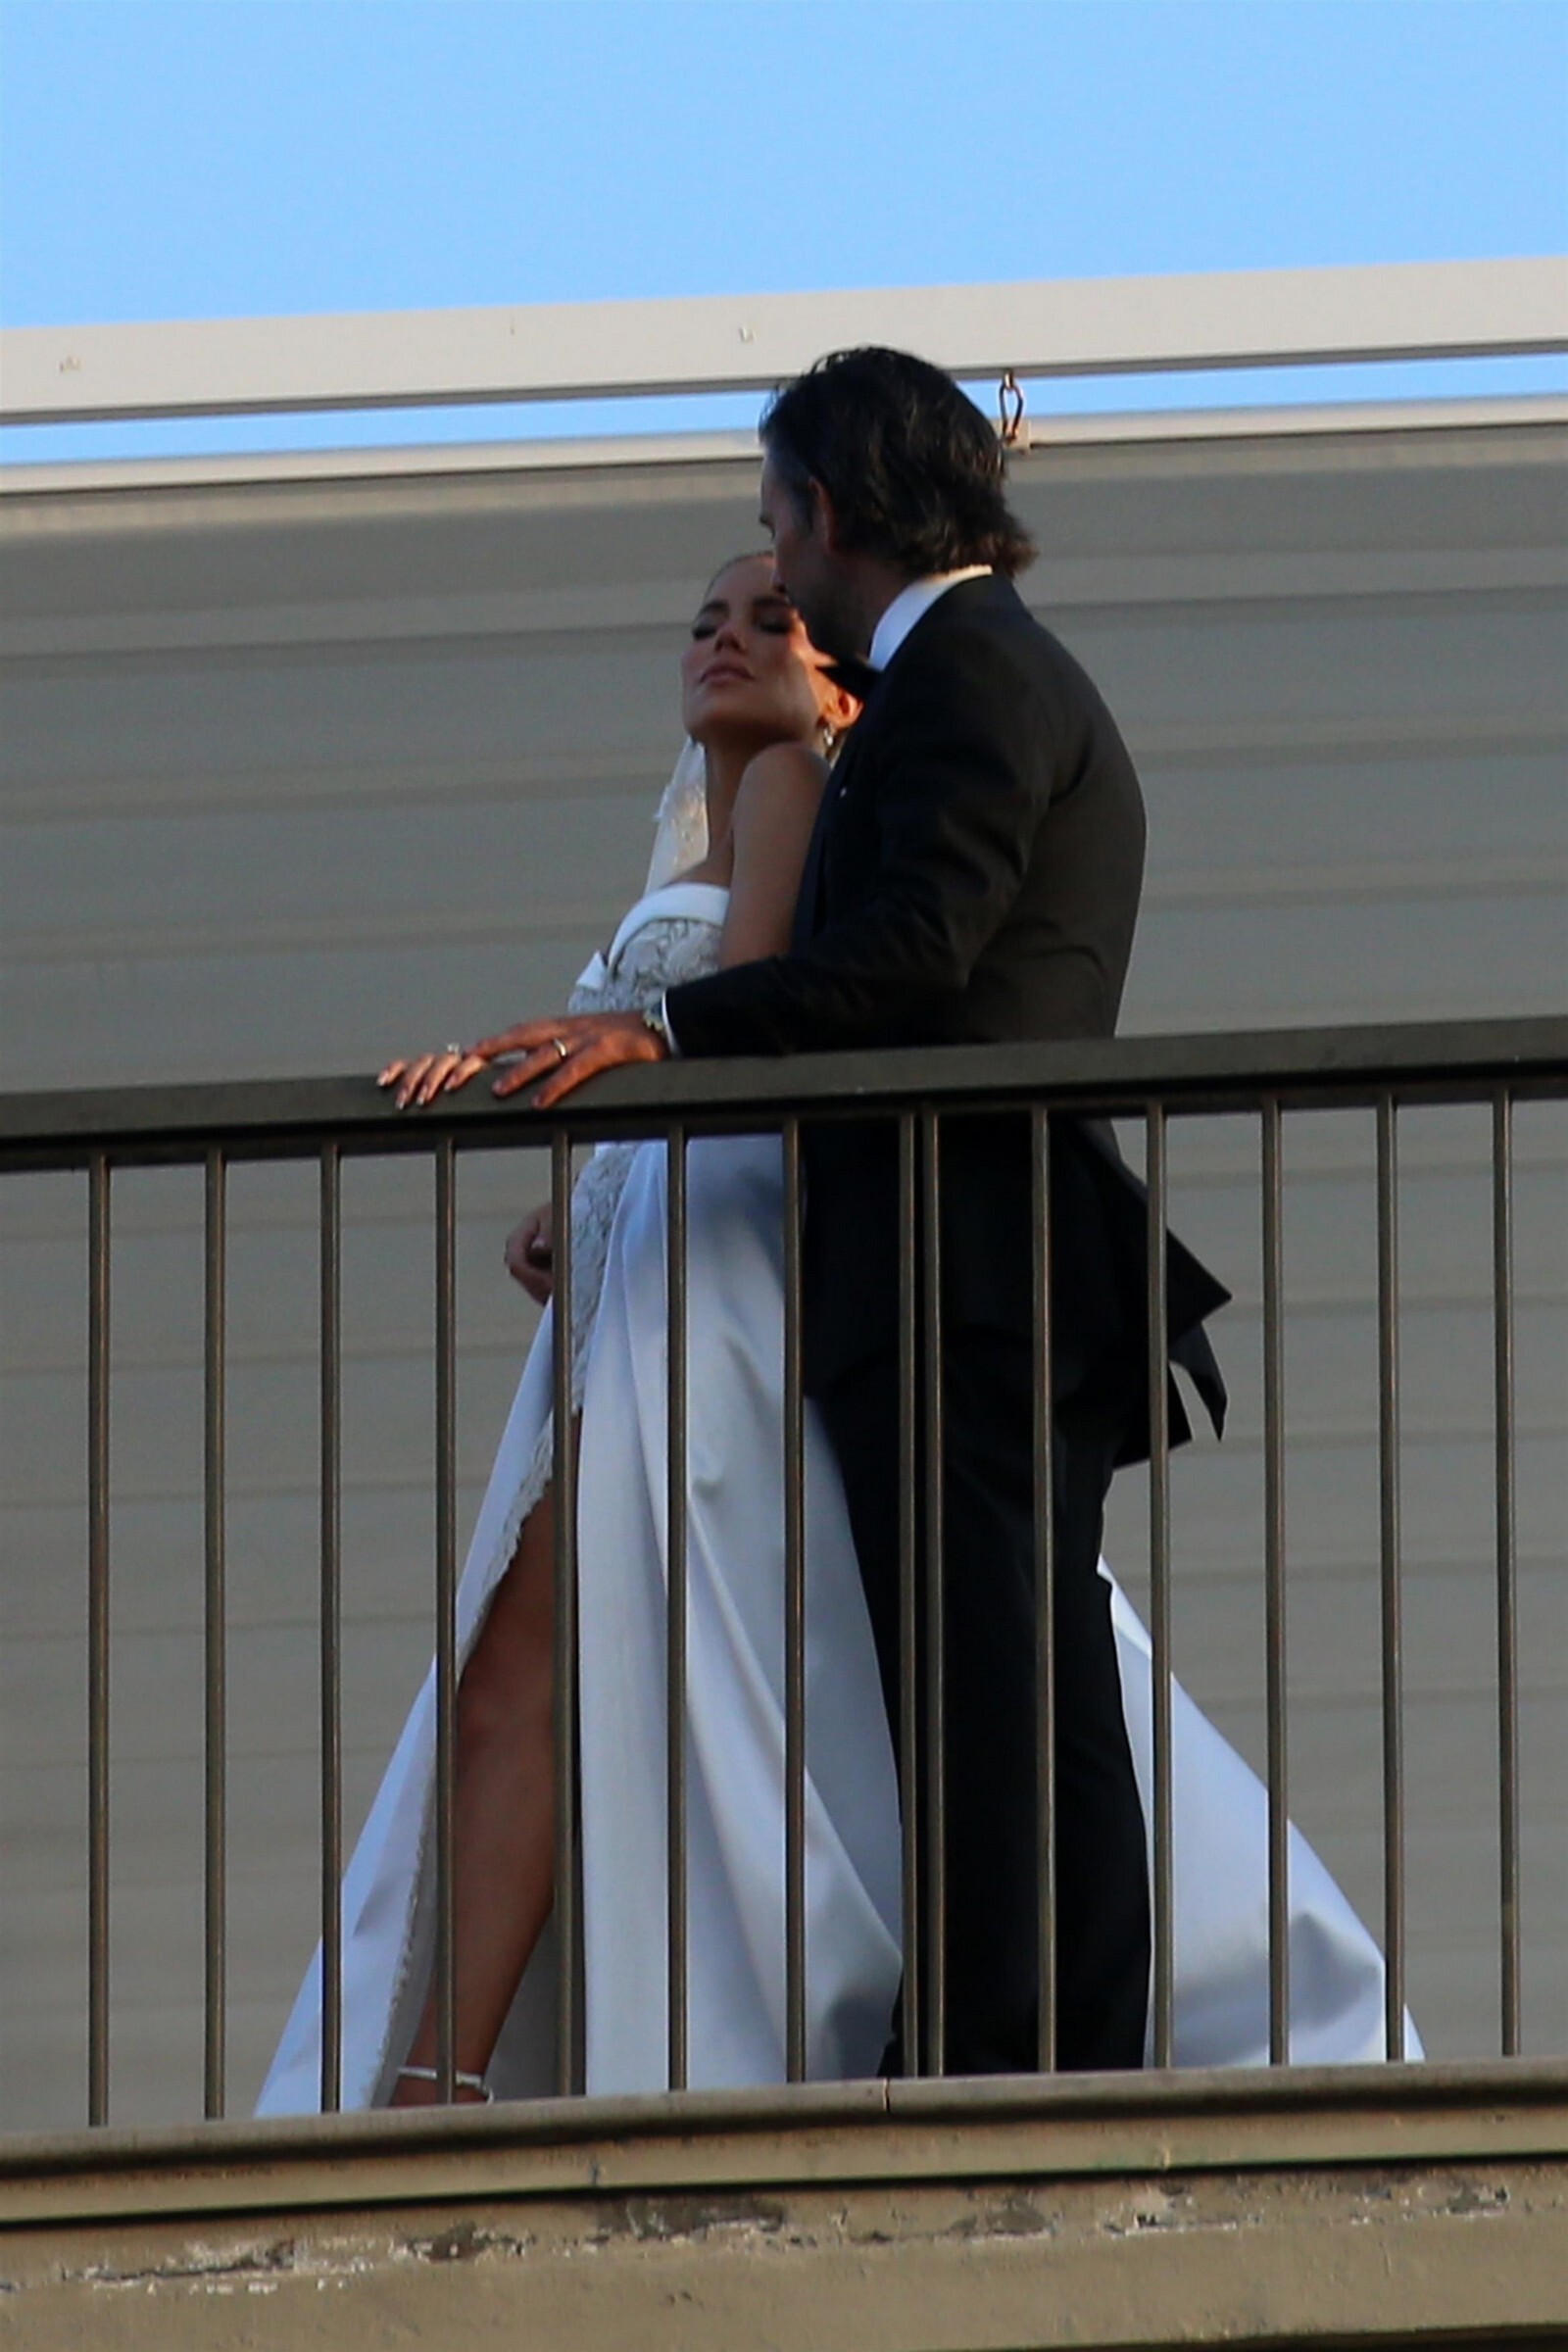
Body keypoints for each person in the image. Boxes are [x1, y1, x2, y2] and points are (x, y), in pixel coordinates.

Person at [258, 546, 1410, 2119]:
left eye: (770, 617)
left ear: (838, 682)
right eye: (703, 621)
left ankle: (450, 2078)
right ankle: (441, 2076)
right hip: (650, 1252)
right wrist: (587, 1189)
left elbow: (746, 1036)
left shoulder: (799, 787)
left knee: (587, 1655)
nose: (725, 640)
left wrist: (569, 1092)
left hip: (717, 1263)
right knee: (580, 1658)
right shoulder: (721, 820)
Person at [462, 349, 1231, 2080]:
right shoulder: (968, 671)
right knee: (990, 1677)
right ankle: (1006, 2031)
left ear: (828, 509)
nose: (774, 562)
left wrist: (662, 1033)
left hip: (974, 1251)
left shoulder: (972, 675)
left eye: (777, 520)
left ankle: (1018, 2047)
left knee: (1000, 1680)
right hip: (954, 1253)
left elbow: (917, 950)